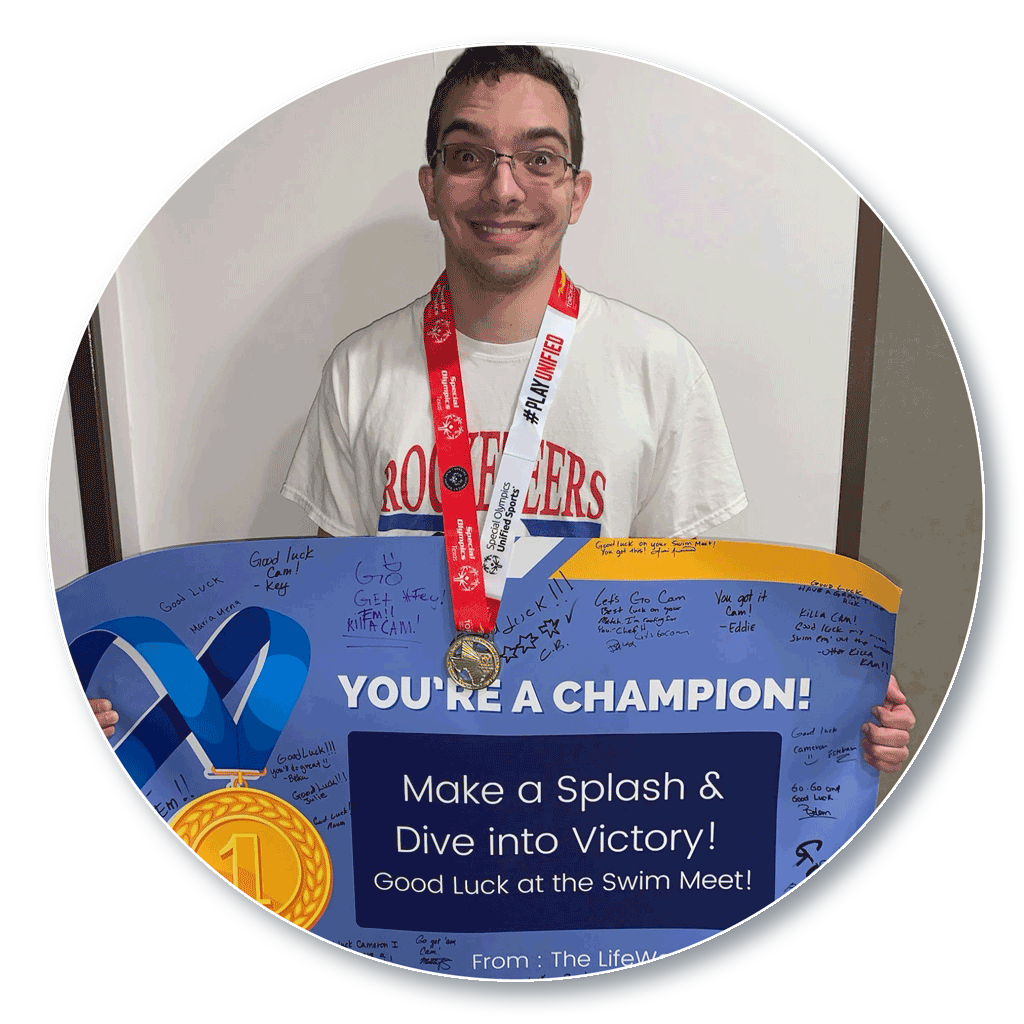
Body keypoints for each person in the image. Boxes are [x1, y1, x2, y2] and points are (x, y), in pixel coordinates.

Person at [279, 44, 914, 771]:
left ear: (577, 193)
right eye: (468, 156)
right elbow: (323, 616)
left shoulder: (657, 367)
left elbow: (697, 621)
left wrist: (839, 708)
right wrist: (138, 721)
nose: (505, 188)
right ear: (432, 188)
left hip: (597, 796)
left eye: (539, 158)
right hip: (414, 784)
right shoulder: (359, 371)